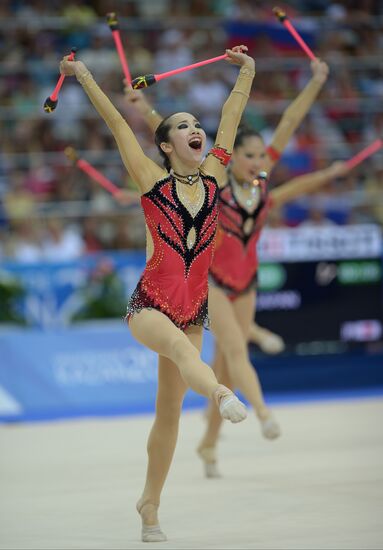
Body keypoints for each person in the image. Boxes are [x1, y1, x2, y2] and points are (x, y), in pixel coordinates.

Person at [59, 44, 255, 541]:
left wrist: (246, 72)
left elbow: (231, 117)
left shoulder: (214, 177)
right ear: (165, 145)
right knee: (174, 349)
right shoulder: (150, 181)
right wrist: (82, 73)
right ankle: (221, 393)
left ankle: (149, 504)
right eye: (183, 127)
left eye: (197, 125)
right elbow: (118, 126)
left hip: (193, 308)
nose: (196, 130)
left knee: (168, 415)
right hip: (149, 303)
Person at [124, 58, 337, 478]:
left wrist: (316, 82)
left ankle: (207, 443)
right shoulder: (214, 180)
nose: (259, 161)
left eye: (262, 156)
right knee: (234, 352)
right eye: (250, 155)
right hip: (213, 282)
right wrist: (142, 108)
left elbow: (291, 122)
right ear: (231, 155)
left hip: (247, 281)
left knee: (225, 367)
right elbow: (174, 140)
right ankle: (263, 413)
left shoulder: (260, 180)